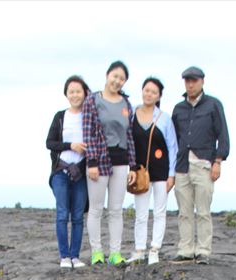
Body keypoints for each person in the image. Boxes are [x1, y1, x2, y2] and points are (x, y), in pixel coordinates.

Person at [171, 66, 230, 264]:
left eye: (194, 80)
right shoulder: (179, 109)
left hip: (204, 162)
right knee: (184, 211)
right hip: (182, 165)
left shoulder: (213, 105)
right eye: (187, 81)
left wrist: (218, 161)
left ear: (202, 81)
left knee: (203, 210)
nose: (190, 84)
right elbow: (173, 138)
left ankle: (203, 250)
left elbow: (222, 135)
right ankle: (186, 249)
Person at [81, 61, 137, 267]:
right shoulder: (93, 100)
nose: (117, 81)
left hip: (121, 160)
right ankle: (97, 252)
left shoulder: (126, 105)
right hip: (99, 160)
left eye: (122, 79)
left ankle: (115, 252)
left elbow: (129, 134)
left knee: (116, 209)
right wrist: (92, 161)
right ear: (107, 75)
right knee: (96, 209)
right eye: (115, 76)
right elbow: (88, 131)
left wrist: (133, 165)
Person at [128, 77, 178, 266]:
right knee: (140, 213)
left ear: (159, 96)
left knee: (159, 211)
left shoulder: (164, 118)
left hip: (161, 172)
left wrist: (171, 175)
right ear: (142, 91)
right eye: (147, 90)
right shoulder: (132, 114)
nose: (149, 94)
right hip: (140, 172)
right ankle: (140, 249)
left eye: (154, 92)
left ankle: (155, 249)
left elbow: (172, 147)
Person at [46, 75, 90, 269]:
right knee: (62, 214)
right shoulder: (60, 116)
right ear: (66, 94)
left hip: (80, 173)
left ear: (84, 93)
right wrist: (71, 145)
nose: (75, 95)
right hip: (61, 171)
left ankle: (75, 256)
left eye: (78, 91)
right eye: (71, 91)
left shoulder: (89, 117)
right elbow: (50, 143)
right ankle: (64, 256)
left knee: (78, 216)